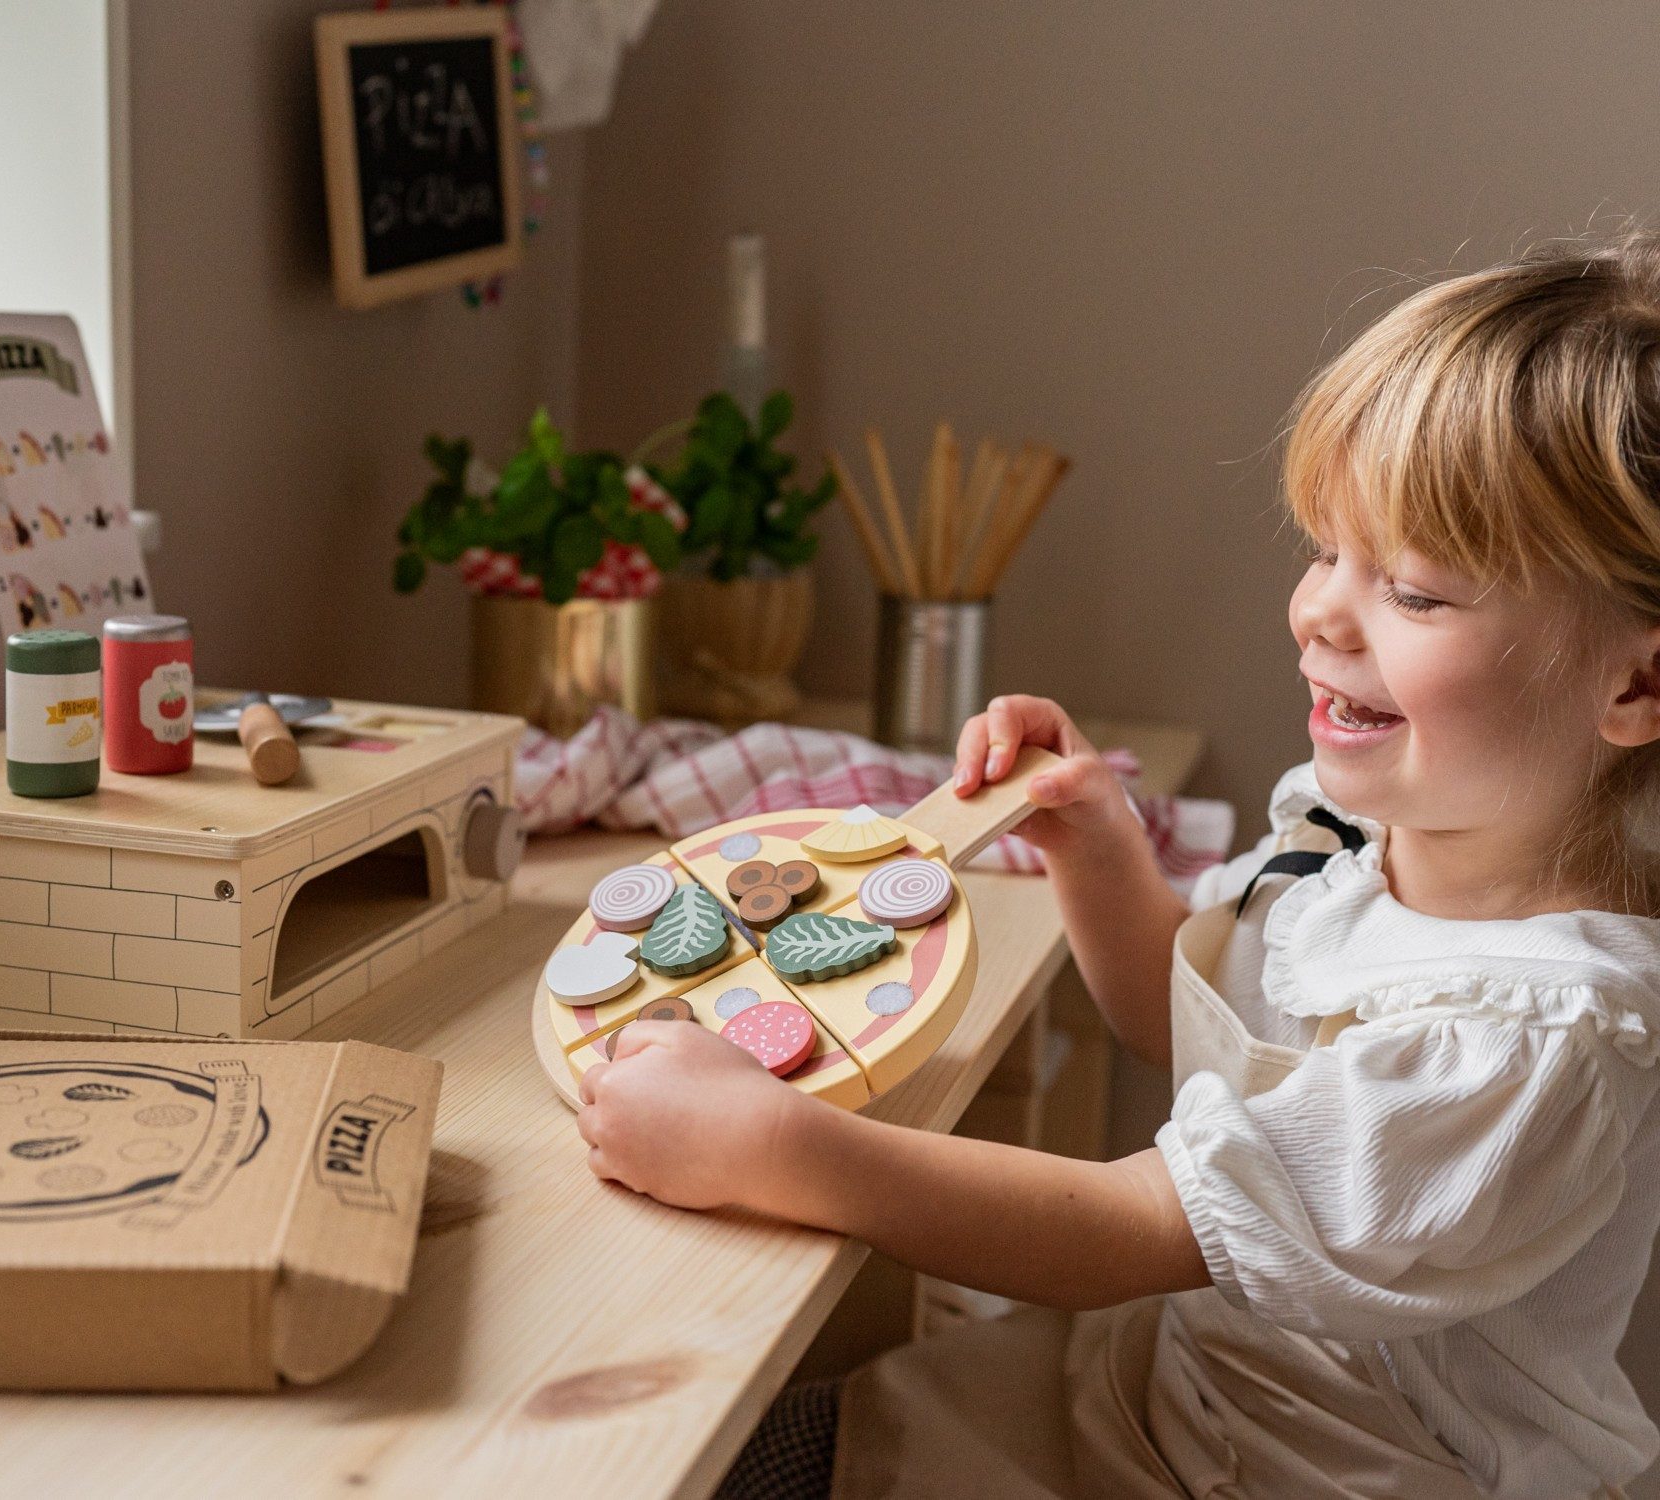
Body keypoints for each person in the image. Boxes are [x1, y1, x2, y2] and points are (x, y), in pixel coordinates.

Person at [575, 234, 1660, 1499]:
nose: (1318, 613)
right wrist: (1096, 847)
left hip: (1308, 1473)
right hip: (1165, 1384)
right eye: (1325, 552)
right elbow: (1178, 1013)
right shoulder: (1355, 844)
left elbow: (1134, 1227)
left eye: (1415, 593)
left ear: (1634, 683)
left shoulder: (1533, 1046)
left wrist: (778, 1146)